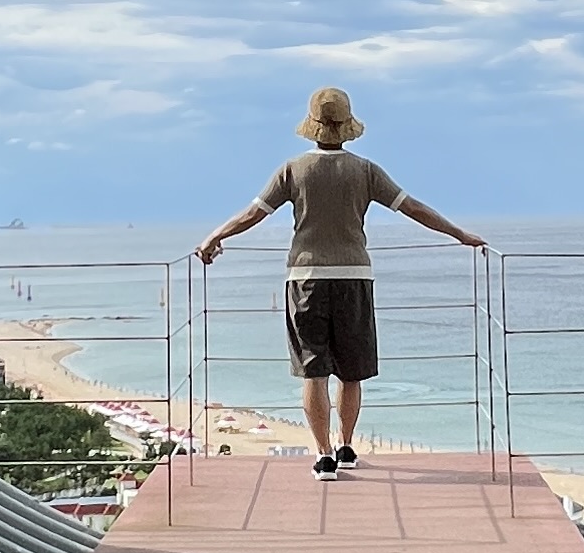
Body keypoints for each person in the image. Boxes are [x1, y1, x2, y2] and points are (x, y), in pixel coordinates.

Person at [198, 86, 485, 479]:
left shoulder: (293, 170)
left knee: (313, 372)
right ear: (347, 127)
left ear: (312, 127)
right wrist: (460, 234)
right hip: (354, 279)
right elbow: (414, 208)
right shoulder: (365, 171)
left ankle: (324, 456)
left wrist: (215, 237)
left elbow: (253, 214)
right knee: (352, 372)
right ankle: (347, 446)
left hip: (306, 279)